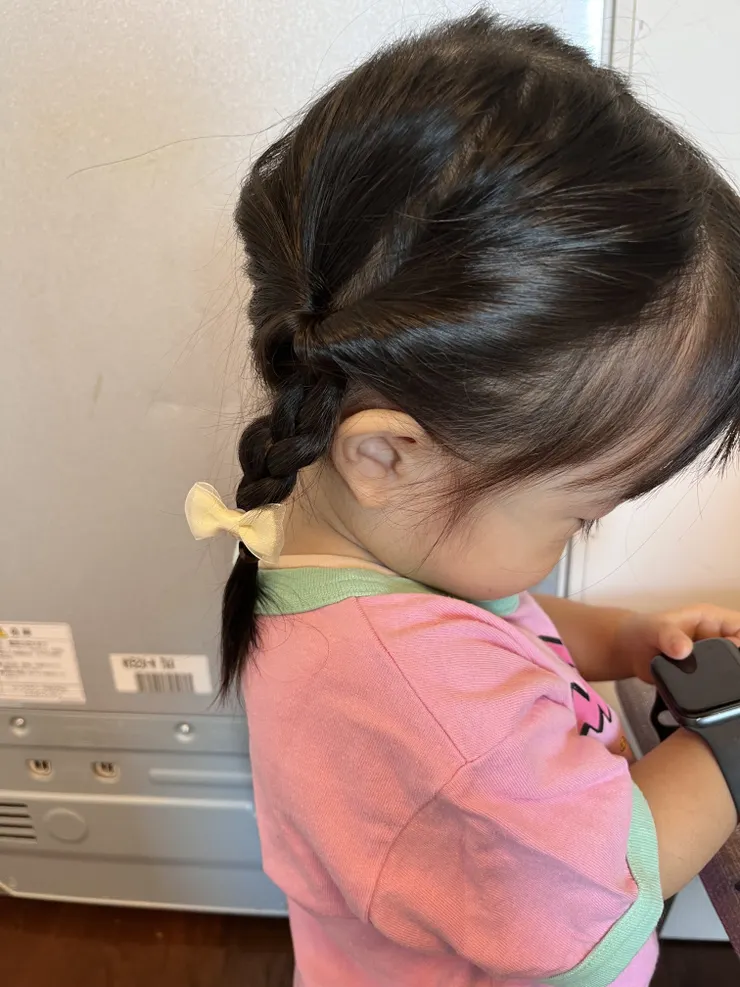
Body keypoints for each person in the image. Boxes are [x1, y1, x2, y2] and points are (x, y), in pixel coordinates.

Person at [186, 13, 740, 986]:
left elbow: (497, 627)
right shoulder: (423, 704)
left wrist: (626, 637)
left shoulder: (346, 543)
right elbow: (609, 876)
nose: (583, 533)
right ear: (387, 455)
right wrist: (727, 738)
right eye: (577, 514)